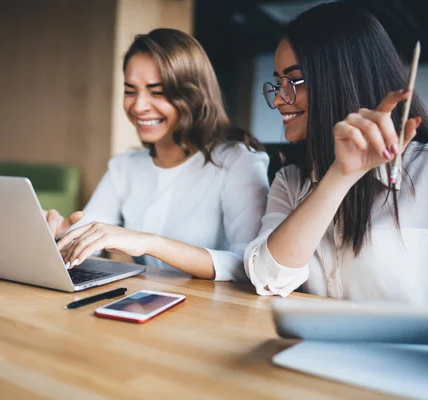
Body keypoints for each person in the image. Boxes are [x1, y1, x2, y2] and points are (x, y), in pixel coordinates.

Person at [47, 28, 269, 281]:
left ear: (192, 93)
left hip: (215, 311)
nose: (138, 106)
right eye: (130, 90)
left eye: (158, 91)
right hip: (147, 303)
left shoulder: (238, 161)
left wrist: (149, 243)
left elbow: (250, 263)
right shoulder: (125, 166)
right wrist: (62, 235)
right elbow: (91, 236)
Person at [244, 3, 428, 302]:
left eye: (294, 81)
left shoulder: (425, 171)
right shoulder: (290, 182)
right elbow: (266, 279)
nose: (279, 99)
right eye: (278, 83)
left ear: (344, 77)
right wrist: (341, 176)